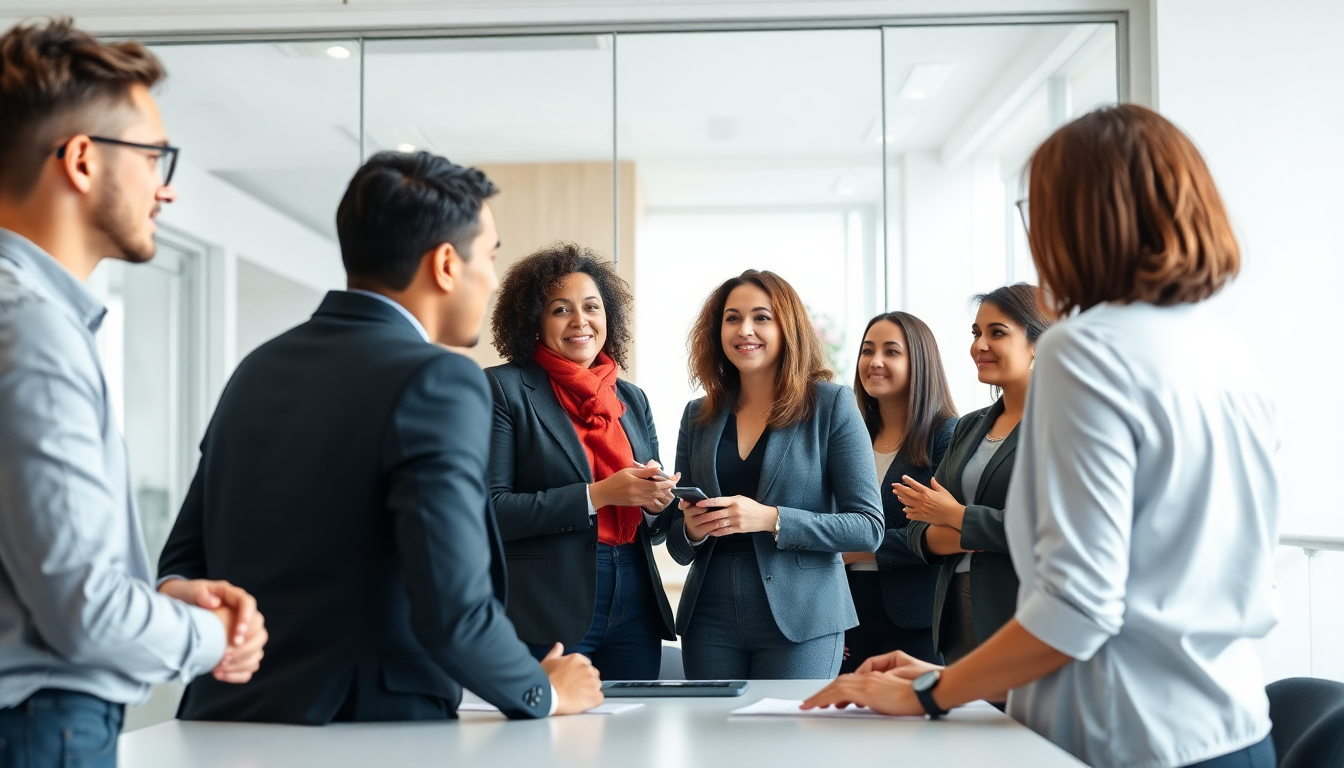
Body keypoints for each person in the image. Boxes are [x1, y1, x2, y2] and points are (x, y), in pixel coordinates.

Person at [804, 104, 1279, 768]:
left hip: (1121, 736)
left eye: (1038, 208)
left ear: (1081, 218)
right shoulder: (1224, 348)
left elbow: (1076, 609)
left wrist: (935, 692)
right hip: (1233, 726)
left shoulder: (1084, 352)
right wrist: (950, 674)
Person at [157, 152, 603, 723]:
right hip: (367, 728)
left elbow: (183, 562)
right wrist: (544, 692)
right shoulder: (440, 378)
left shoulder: (258, 367)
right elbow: (453, 607)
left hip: (227, 717)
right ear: (446, 264)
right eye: (488, 257)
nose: (491, 279)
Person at [0, 19, 266, 766]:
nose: (167, 186)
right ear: (82, 160)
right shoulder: (32, 331)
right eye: (154, 156)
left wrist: (154, 609)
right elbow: (83, 614)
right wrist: (213, 637)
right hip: (40, 724)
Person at [666, 270, 884, 680]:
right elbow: (675, 540)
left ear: (788, 327)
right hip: (710, 616)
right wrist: (693, 529)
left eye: (761, 317)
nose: (744, 329)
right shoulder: (698, 415)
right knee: (717, 742)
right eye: (732, 318)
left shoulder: (831, 405)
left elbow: (867, 527)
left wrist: (771, 519)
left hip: (804, 616)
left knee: (788, 742)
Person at [485, 243, 678, 681]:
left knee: (631, 739)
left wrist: (654, 502)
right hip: (547, 603)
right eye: (560, 310)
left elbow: (658, 524)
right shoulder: (504, 389)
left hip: (635, 596)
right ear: (533, 319)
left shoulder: (631, 398)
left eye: (592, 307)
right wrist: (599, 495)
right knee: (548, 739)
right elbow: (491, 510)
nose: (580, 321)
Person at [899, 284, 1053, 673]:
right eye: (975, 333)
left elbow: (1044, 531)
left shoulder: (1059, 426)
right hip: (955, 616)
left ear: (1038, 343)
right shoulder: (968, 427)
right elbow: (918, 529)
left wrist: (956, 516)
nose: (979, 345)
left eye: (996, 333)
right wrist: (971, 529)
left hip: (1019, 613)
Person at [840, 312, 958, 672]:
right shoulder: (848, 434)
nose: (874, 362)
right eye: (867, 351)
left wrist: (860, 546)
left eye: (891, 352)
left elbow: (947, 532)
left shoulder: (947, 435)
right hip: (845, 613)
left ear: (919, 362)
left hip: (914, 616)